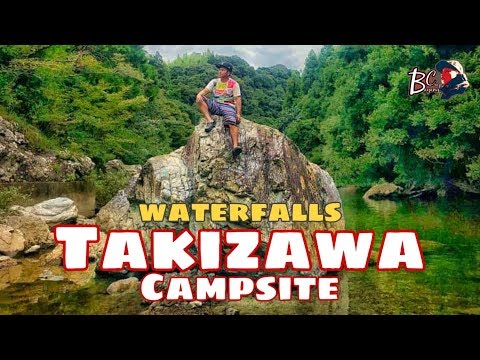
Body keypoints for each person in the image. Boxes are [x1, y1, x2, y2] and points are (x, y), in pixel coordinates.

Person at [196, 62, 243, 157]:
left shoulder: (234, 84)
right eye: (220, 69)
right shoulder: (215, 81)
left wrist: (238, 113)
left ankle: (235, 146)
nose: (220, 71)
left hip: (228, 106)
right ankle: (210, 120)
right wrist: (199, 94)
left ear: (228, 72)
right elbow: (206, 91)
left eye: (222, 70)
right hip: (216, 104)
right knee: (200, 99)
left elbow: (237, 99)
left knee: (231, 122)